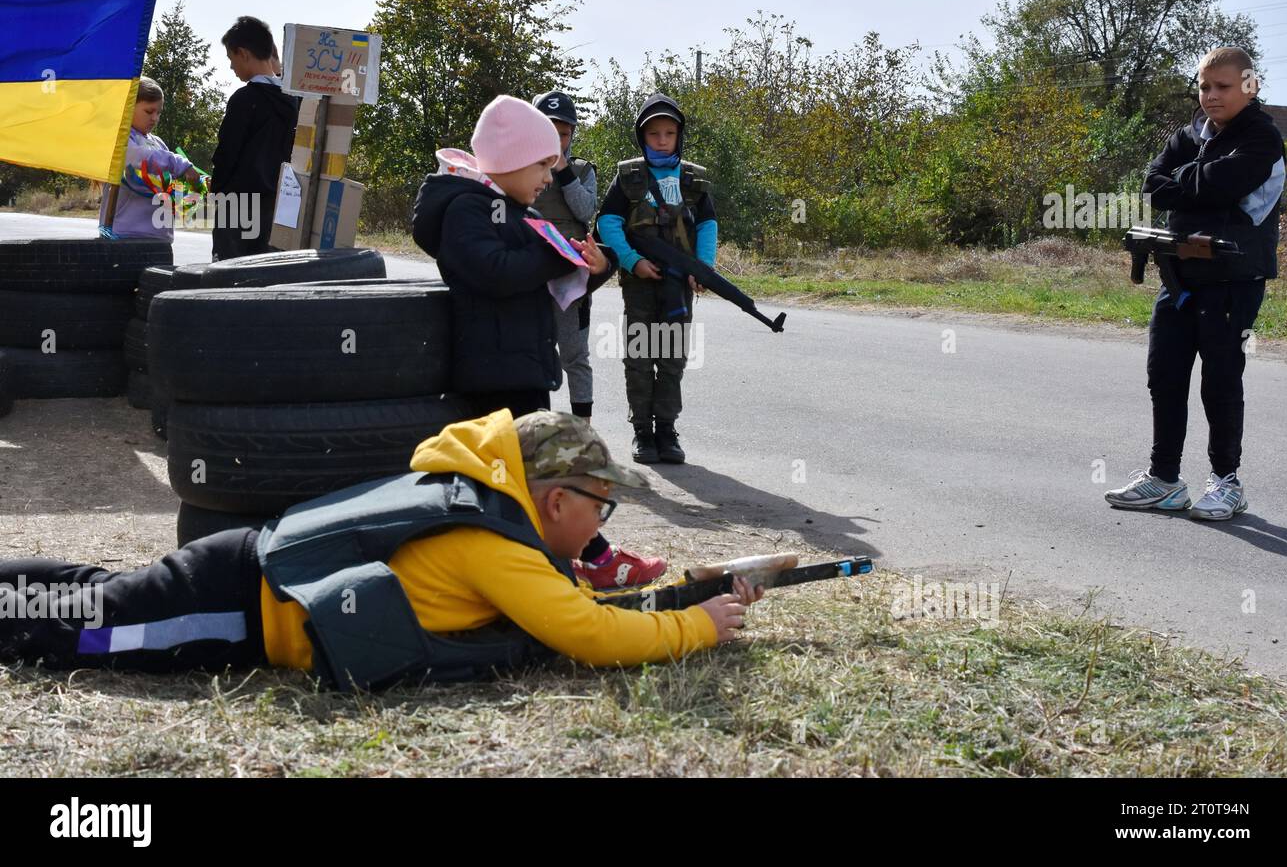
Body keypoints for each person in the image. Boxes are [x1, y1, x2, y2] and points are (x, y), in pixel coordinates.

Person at [0, 411, 764, 683]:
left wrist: (694, 592)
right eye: (602, 505)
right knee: (90, 629)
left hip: (242, 577)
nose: (604, 522)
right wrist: (696, 629)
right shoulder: (493, 546)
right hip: (237, 606)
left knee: (98, 592)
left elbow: (576, 604)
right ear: (555, 500)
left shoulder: (496, 518)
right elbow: (588, 633)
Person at [413, 94, 669, 589]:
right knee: (527, 477)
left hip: (522, 365)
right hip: (493, 374)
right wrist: (555, 259)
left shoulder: (509, 209)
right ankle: (571, 562)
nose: (549, 177)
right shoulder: (468, 209)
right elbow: (495, 273)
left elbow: (551, 289)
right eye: (542, 165)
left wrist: (595, 268)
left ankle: (581, 558)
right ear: (509, 159)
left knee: (542, 474)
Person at [1105, 47, 1285, 520]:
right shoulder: (1190, 132)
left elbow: (1222, 185)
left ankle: (1227, 482)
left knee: (1220, 380)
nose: (1210, 96)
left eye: (1222, 87)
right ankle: (1165, 479)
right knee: (1163, 375)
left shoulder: (1263, 138)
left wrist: (1187, 183)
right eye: (1204, 86)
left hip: (1234, 278)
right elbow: (1152, 184)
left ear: (1250, 86)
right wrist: (1199, 184)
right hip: (1179, 276)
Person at [595, 93, 720, 466]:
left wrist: (703, 268)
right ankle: (642, 432)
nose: (662, 140)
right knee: (639, 355)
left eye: (669, 132)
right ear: (642, 137)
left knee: (672, 357)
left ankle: (666, 429)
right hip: (640, 284)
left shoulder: (693, 179)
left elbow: (708, 225)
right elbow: (608, 222)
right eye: (654, 134)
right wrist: (633, 262)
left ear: (679, 136)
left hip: (679, 284)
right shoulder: (629, 177)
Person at [532, 90, 599, 420]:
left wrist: (562, 170)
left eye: (563, 134)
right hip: (528, 275)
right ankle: (536, 426)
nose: (556, 141)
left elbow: (585, 209)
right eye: (548, 131)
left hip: (570, 281)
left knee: (574, 356)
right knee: (532, 354)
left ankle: (582, 429)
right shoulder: (521, 170)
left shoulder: (583, 171)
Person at [210, 16, 299, 260]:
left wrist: (215, 189)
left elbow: (228, 152)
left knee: (227, 274)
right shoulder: (295, 101)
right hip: (279, 206)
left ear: (243, 53)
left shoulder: (244, 99)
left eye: (231, 59)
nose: (231, 67)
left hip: (238, 204)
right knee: (265, 272)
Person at [97, 77, 200, 242]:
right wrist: (181, 164)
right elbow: (141, 157)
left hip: (159, 237)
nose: (155, 118)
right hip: (124, 235)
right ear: (129, 107)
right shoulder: (121, 140)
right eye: (149, 111)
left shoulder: (158, 143)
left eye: (158, 113)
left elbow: (168, 186)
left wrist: (193, 191)